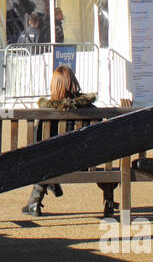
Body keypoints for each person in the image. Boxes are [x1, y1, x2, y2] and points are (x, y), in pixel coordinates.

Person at [21, 66, 102, 217]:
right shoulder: (91, 109)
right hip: (84, 164)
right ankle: (45, 190)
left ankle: (35, 201)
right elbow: (98, 139)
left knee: (45, 160)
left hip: (55, 164)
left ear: (54, 86)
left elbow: (37, 144)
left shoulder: (48, 113)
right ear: (73, 83)